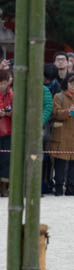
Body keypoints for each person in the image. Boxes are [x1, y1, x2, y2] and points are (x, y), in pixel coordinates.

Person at [0, 69, 12, 197]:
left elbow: (17, 110)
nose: (2, 85)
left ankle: (4, 187)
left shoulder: (12, 95)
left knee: (6, 160)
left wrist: (8, 113)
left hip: (8, 130)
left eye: (4, 82)